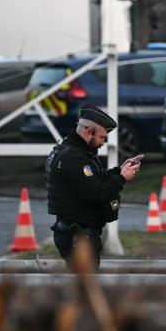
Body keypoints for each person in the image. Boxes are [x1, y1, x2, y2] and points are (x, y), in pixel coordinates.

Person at [46, 105, 141, 269]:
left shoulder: (78, 153)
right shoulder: (74, 158)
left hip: (79, 234)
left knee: (84, 289)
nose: (103, 143)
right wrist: (122, 178)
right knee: (85, 290)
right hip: (78, 236)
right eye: (102, 137)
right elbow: (96, 194)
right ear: (88, 131)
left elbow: (96, 179)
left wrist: (120, 170)